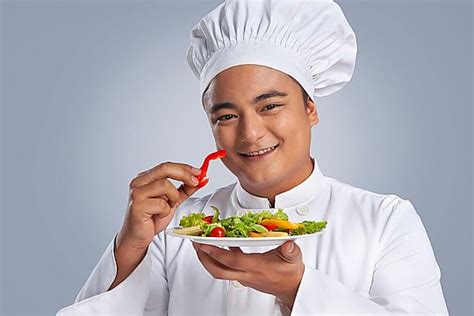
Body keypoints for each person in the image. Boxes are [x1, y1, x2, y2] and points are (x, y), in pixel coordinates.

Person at [57, 0, 448, 315]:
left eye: (271, 105)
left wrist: (297, 289)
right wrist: (130, 246)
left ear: (310, 109)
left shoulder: (385, 220)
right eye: (226, 116)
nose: (250, 133)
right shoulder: (175, 229)